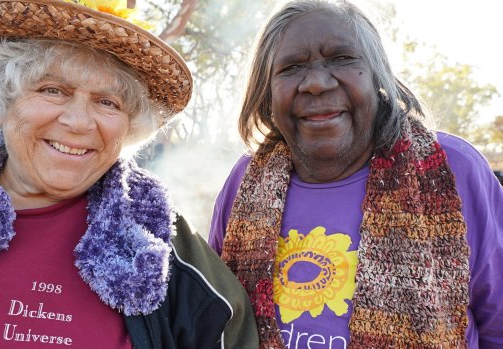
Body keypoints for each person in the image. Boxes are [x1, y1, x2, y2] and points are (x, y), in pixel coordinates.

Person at [0, 0, 259, 348]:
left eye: (107, 102)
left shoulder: (161, 247)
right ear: (4, 99)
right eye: (53, 90)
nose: (79, 121)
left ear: (129, 126)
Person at [208, 1, 503, 348]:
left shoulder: (453, 168)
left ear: (378, 77)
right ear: (267, 92)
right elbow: (215, 311)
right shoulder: (245, 180)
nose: (316, 83)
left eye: (342, 58)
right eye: (292, 66)